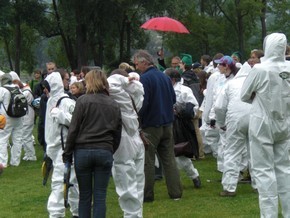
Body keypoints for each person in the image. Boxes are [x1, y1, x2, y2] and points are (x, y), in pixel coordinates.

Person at [241, 32, 290, 217]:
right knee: (285, 169)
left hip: (262, 121)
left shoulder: (260, 69)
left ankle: (268, 215)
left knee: (263, 170)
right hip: (285, 121)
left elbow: (244, 95)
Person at [63, 69, 122, 218]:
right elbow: (117, 132)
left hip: (83, 151)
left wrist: (68, 152)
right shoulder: (113, 104)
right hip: (105, 150)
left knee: (85, 196)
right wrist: (110, 149)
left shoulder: (82, 101)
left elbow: (74, 129)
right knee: (100, 196)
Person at [132, 49, 182, 202]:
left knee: (148, 160)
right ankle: (176, 193)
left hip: (151, 125)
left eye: (136, 64)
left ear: (143, 63)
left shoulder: (144, 79)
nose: (135, 68)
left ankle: (147, 195)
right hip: (167, 123)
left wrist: (138, 119)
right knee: (169, 159)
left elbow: (143, 104)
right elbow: (173, 98)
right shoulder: (165, 77)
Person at [108, 69, 145, 217]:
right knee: (138, 181)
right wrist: (133, 79)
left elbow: (110, 84)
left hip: (123, 138)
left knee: (126, 181)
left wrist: (124, 79)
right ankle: (137, 214)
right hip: (136, 137)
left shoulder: (118, 95)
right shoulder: (136, 92)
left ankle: (131, 215)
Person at [214, 61, 252, 197]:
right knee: (256, 152)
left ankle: (229, 187)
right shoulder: (256, 82)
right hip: (256, 118)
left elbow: (219, 107)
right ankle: (260, 185)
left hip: (235, 119)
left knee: (232, 152)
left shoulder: (230, 84)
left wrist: (221, 122)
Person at [44, 72, 79, 218]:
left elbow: (77, 121)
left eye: (46, 87)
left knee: (59, 184)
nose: (44, 90)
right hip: (56, 149)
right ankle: (78, 211)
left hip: (64, 150)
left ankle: (56, 213)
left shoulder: (66, 102)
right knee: (71, 183)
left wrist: (60, 115)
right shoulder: (51, 101)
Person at [165, 68, 201, 188]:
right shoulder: (163, 88)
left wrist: (180, 109)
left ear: (173, 79)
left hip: (179, 124)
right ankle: (174, 181)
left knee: (179, 153)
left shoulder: (184, 90)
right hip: (165, 122)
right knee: (166, 154)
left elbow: (194, 107)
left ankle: (194, 176)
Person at [9, 71, 37, 161]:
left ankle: (31, 155)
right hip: (25, 116)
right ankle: (28, 153)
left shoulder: (26, 92)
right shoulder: (23, 88)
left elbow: (17, 99)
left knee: (26, 137)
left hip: (28, 116)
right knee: (24, 136)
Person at [0, 74, 23, 167]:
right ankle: (15, 161)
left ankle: (3, 162)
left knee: (2, 139)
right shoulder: (17, 88)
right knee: (17, 140)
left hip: (6, 118)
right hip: (18, 117)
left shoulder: (3, 90)